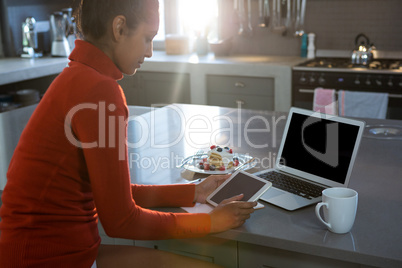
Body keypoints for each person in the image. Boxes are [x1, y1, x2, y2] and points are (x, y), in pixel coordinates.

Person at [0, 0, 257, 267]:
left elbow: (115, 195)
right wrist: (210, 222)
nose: (149, 52)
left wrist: (195, 192)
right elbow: (121, 220)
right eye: (147, 38)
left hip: (47, 254)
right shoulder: (98, 90)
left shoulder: (78, 77)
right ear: (119, 28)